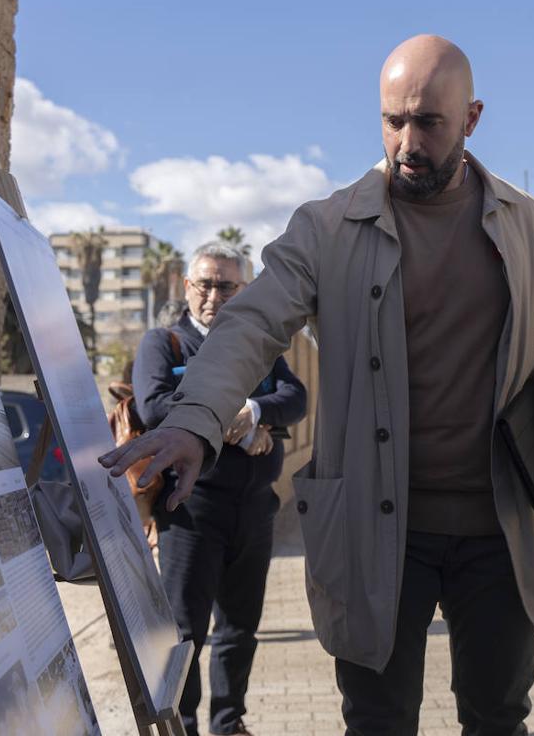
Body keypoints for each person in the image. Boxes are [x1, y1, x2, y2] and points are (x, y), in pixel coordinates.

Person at [102, 34, 534, 734]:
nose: (407, 143)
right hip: (375, 525)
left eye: (430, 123)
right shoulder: (328, 226)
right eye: (394, 120)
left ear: (473, 118)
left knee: (498, 715)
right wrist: (193, 420)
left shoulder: (524, 222)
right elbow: (250, 325)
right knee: (376, 720)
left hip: (500, 521)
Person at [132, 241, 307, 736]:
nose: (214, 295)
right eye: (204, 283)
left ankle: (229, 724)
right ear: (187, 287)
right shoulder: (164, 344)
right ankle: (180, 725)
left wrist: (255, 413)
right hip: (189, 513)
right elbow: (154, 408)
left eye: (226, 285)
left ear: (244, 291)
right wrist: (240, 426)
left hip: (255, 511)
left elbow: (295, 396)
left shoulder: (260, 346)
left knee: (239, 631)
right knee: (186, 633)